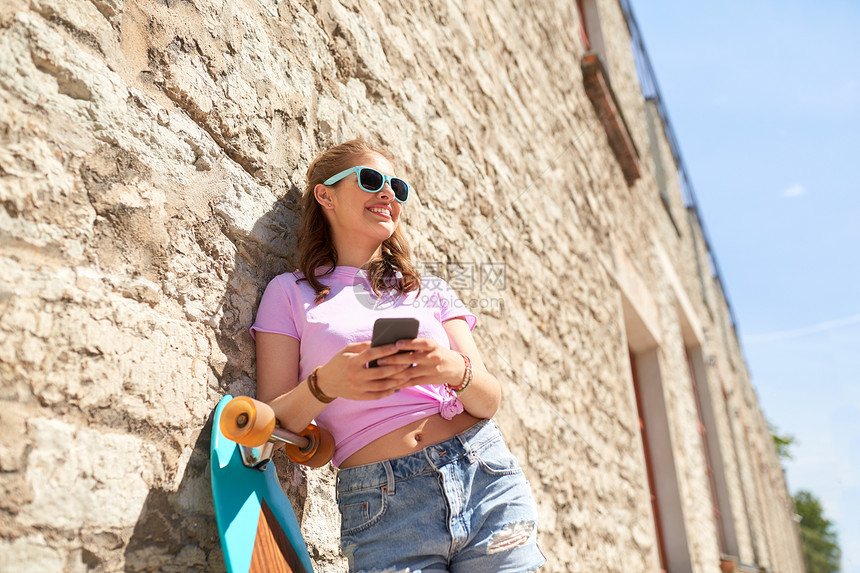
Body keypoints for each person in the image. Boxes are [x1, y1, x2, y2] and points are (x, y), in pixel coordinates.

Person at [250, 139, 545, 572]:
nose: (388, 194)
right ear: (325, 195)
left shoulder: (429, 290)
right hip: (381, 502)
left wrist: (451, 369)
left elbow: (488, 400)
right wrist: (325, 384)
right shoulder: (289, 293)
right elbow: (272, 424)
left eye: (397, 187)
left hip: (482, 475)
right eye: (371, 181)